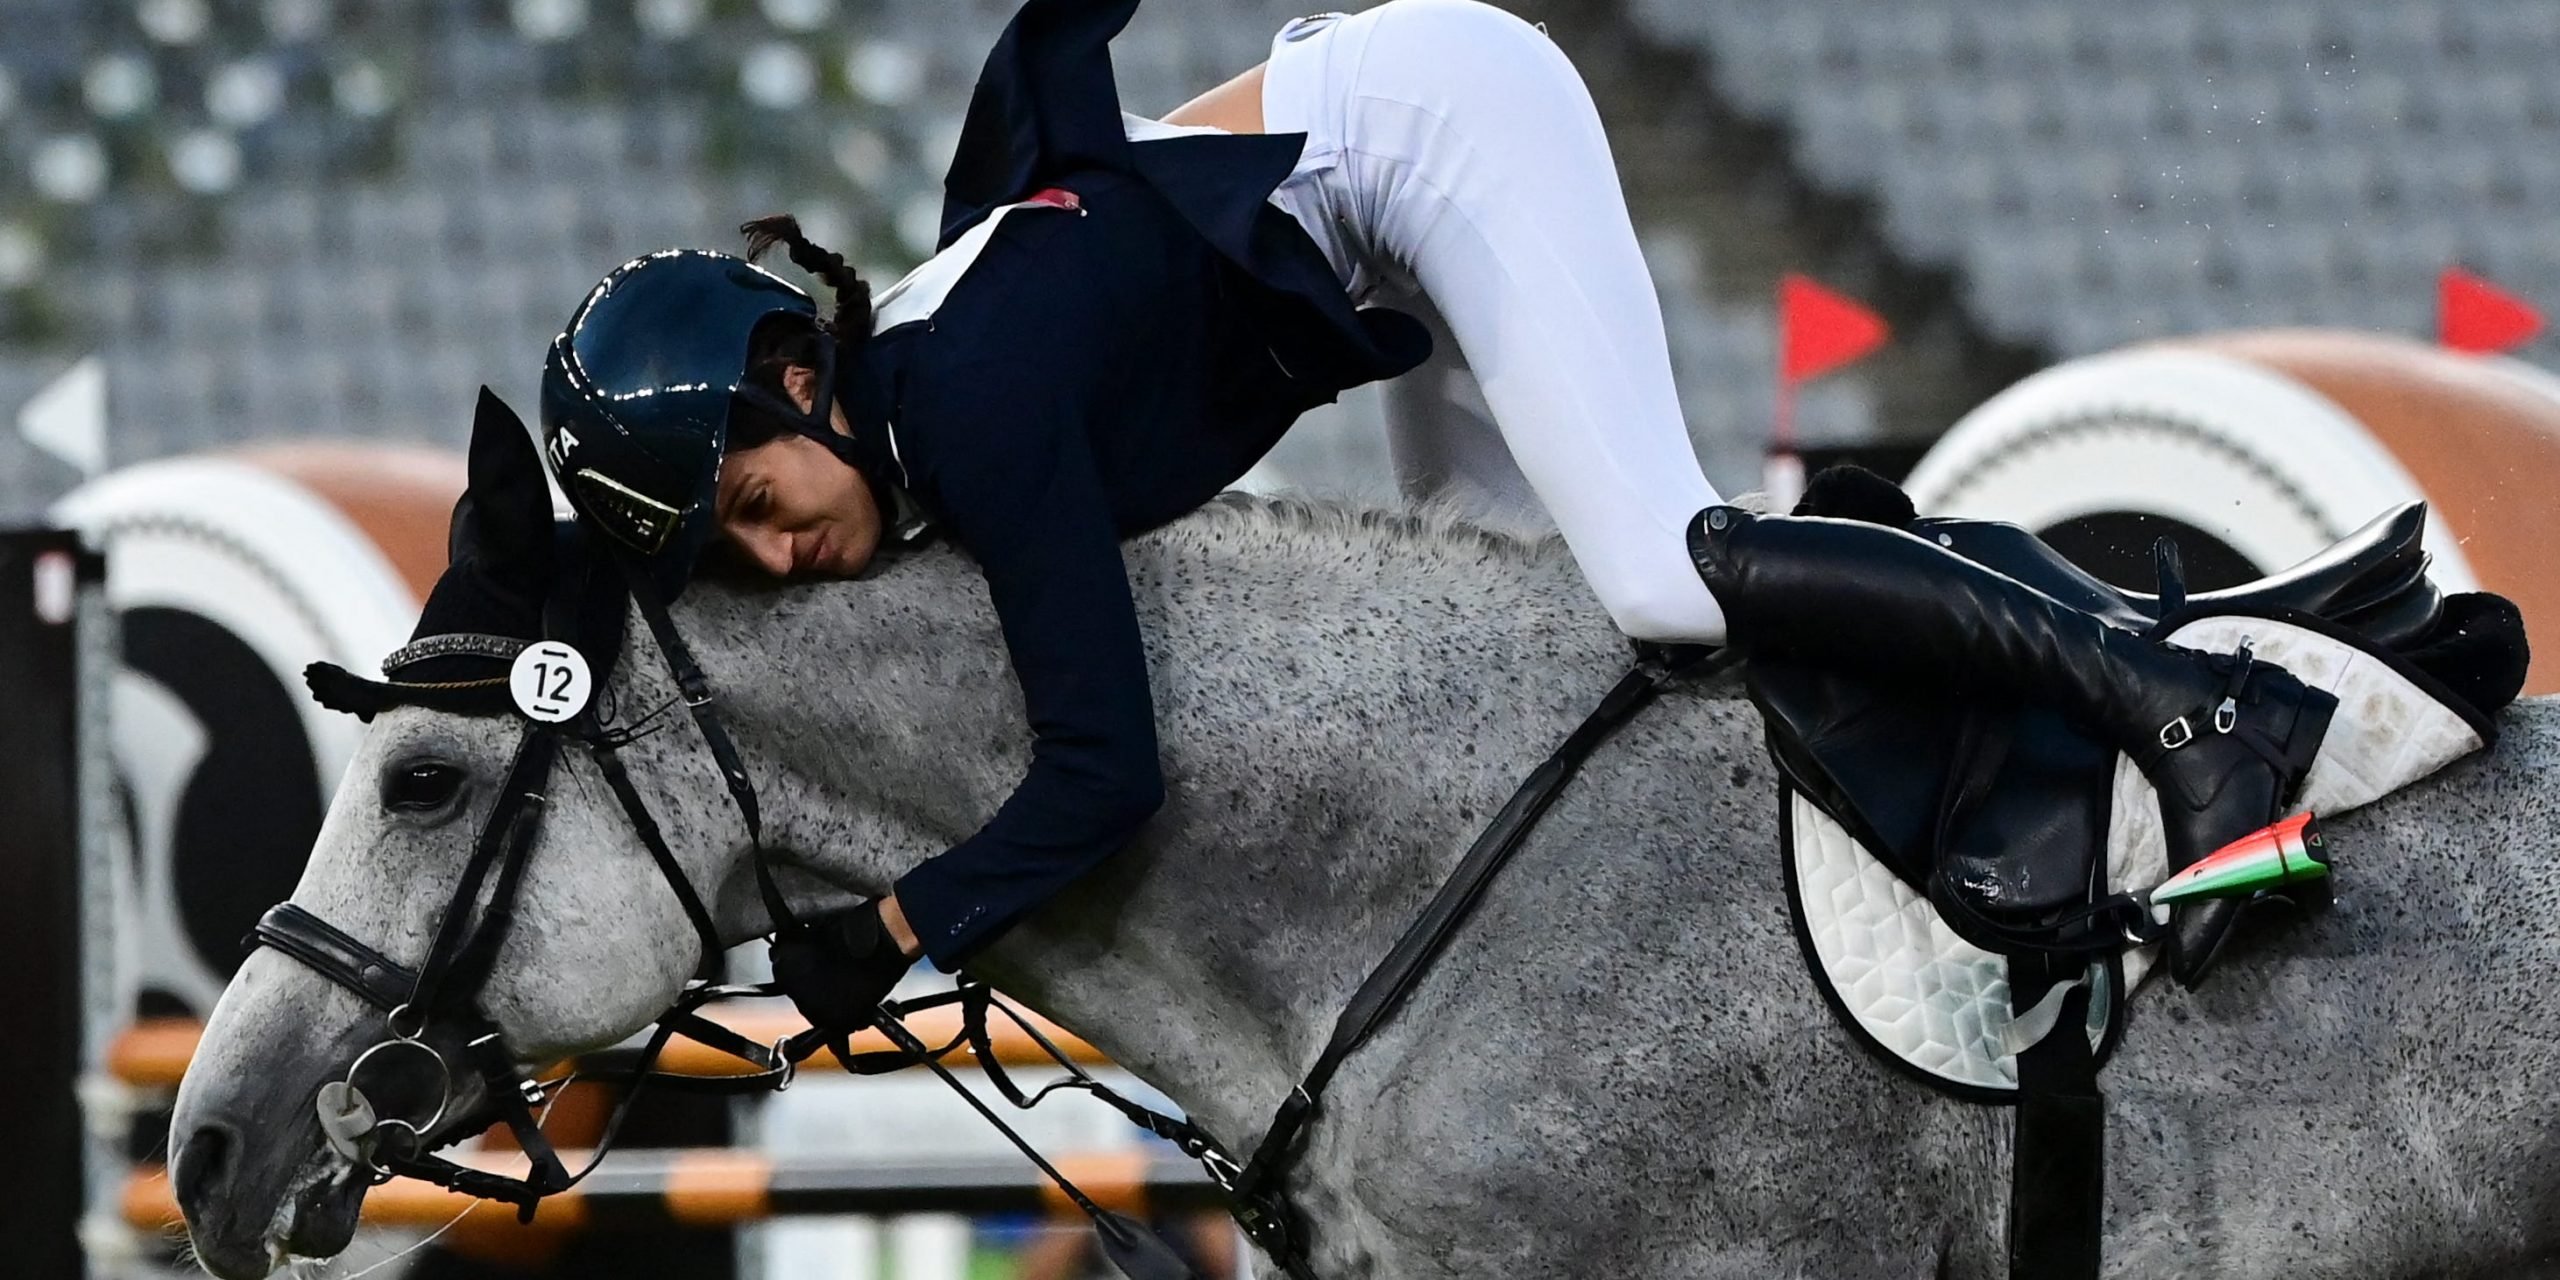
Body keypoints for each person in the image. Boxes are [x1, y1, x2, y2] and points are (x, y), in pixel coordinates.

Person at [537, 0, 2331, 1030]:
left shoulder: (972, 411)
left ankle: (2195, 712)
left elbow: (1105, 776)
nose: (783, 559)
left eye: (759, 509)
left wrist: (902, 930)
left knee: (1654, 577)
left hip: (1429, 126)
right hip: (1365, 190)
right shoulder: (902, 426)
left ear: (795, 383)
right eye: (742, 559)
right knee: (1527, 652)